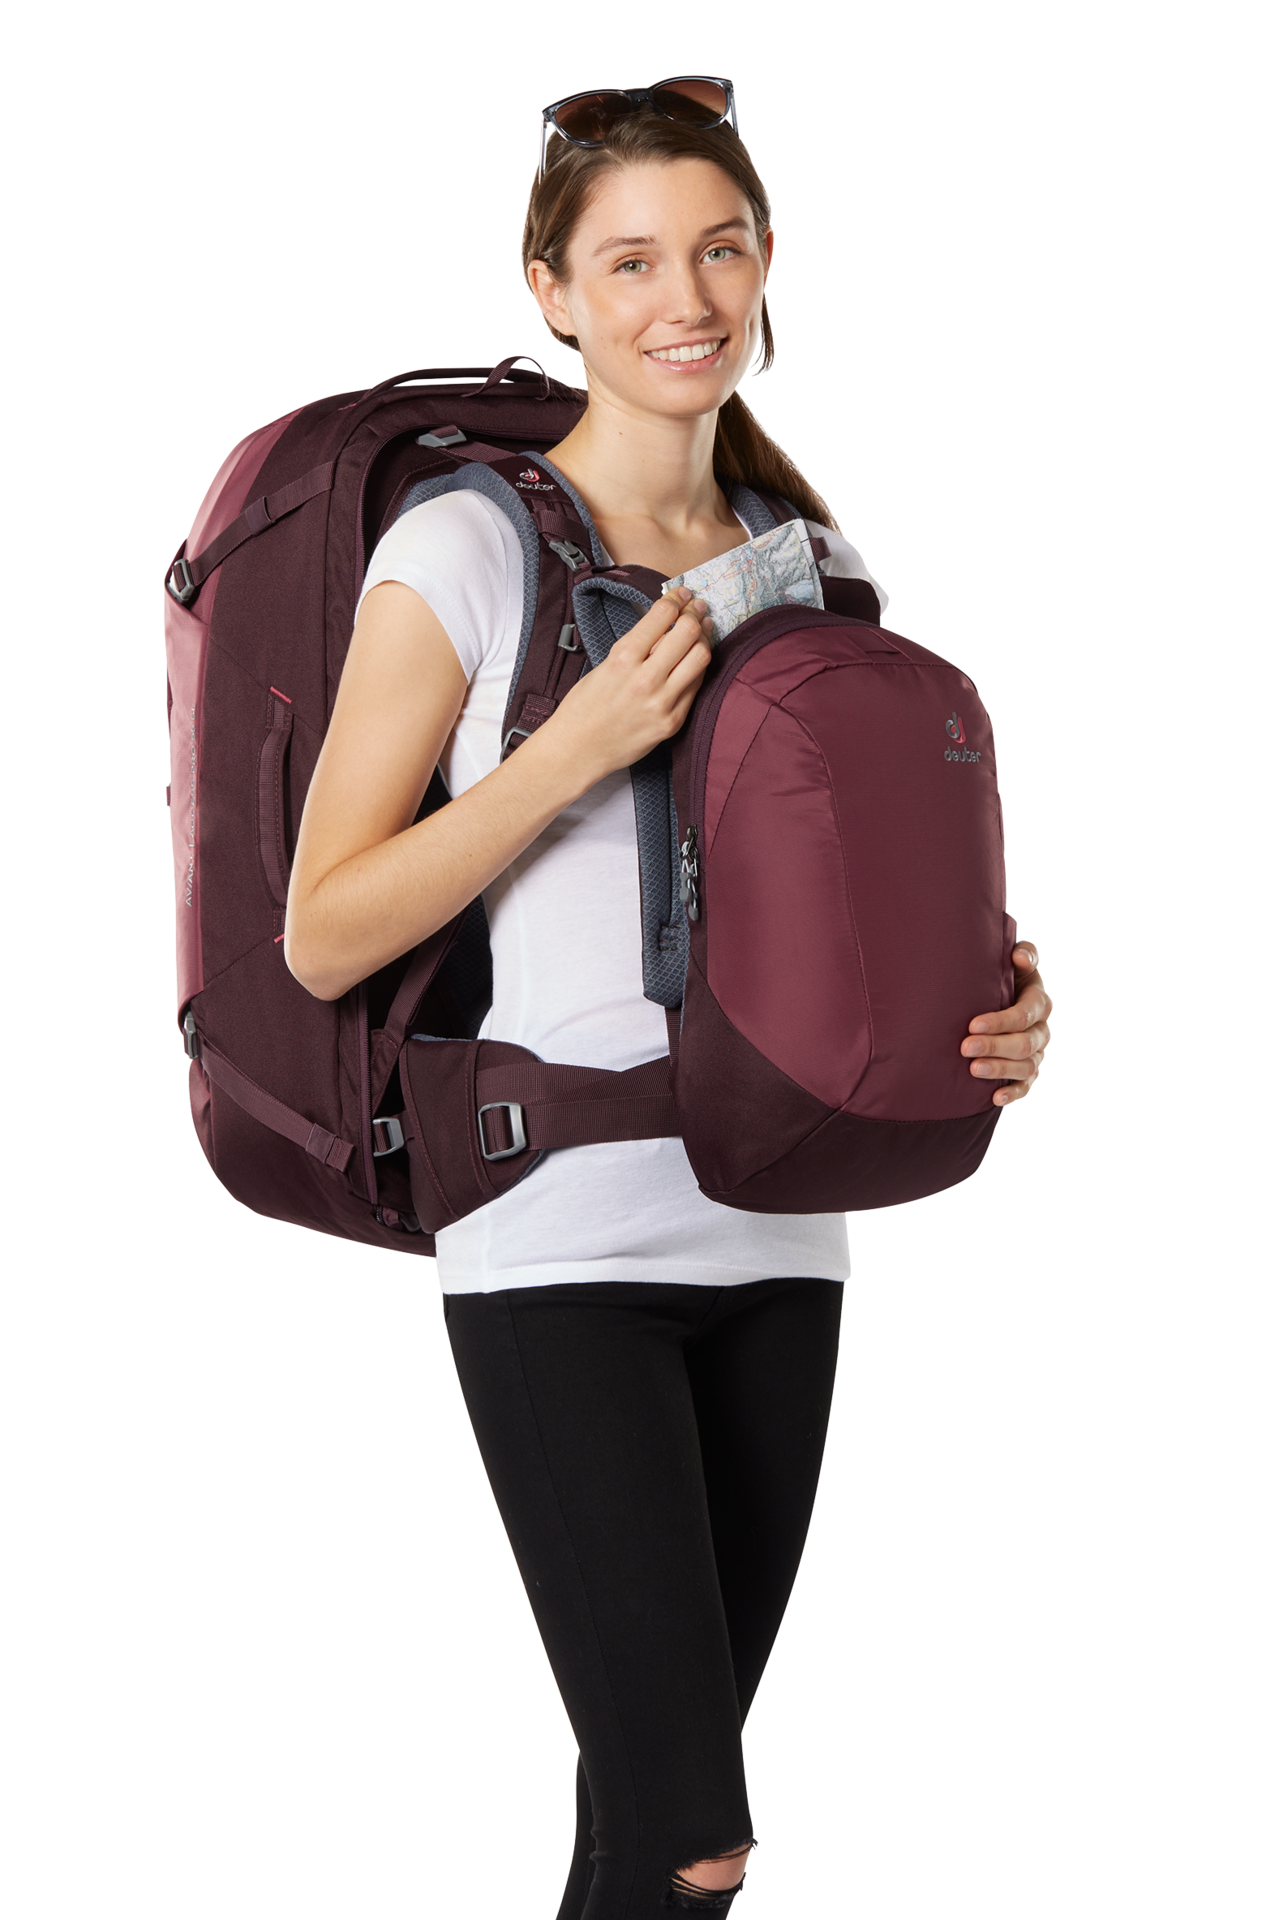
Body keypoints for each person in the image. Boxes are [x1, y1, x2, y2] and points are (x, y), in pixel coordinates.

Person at [285, 77, 1053, 1919]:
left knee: (659, 1850)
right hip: (558, 1237)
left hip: (786, 1234)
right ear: (552, 291)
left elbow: (858, 896)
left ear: (766, 264)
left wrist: (1001, 1007)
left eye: (716, 250)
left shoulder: (819, 564)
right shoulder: (464, 546)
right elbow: (320, 931)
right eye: (627, 261)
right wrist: (576, 748)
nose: (680, 298)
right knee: (694, 1826)